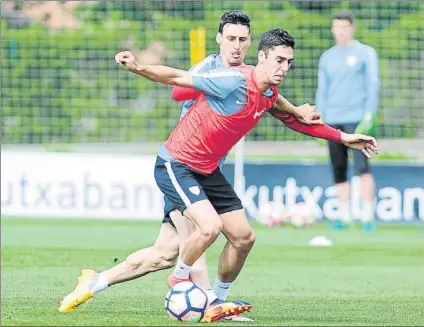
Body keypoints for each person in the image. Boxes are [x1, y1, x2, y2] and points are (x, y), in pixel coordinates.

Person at [58, 12, 321, 322]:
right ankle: (211, 304)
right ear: (219, 39)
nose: (236, 46)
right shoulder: (211, 68)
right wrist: (156, 71)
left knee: (164, 254)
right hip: (183, 164)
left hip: (206, 171)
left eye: (242, 40)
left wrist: (299, 112)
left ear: (250, 43)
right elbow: (177, 88)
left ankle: (95, 281)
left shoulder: (251, 75)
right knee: (202, 230)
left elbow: (272, 99)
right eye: (231, 39)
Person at [114, 27, 378, 315]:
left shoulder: (269, 92)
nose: (284, 67)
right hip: (177, 163)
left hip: (208, 169)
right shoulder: (231, 80)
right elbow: (177, 79)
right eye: (279, 60)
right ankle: (178, 278)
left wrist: (343, 137)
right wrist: (138, 67)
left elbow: (294, 120)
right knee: (207, 228)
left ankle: (216, 302)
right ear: (261, 56)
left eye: (289, 62)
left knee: (243, 237)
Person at [316, 11, 380, 231]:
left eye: (344, 27)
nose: (340, 31)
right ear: (333, 29)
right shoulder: (327, 57)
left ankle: (367, 217)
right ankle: (344, 217)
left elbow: (373, 84)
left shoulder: (365, 53)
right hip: (333, 119)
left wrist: (369, 114)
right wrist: (319, 118)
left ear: (351, 28)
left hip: (357, 118)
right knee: (339, 168)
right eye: (337, 27)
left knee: (362, 166)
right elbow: (322, 90)